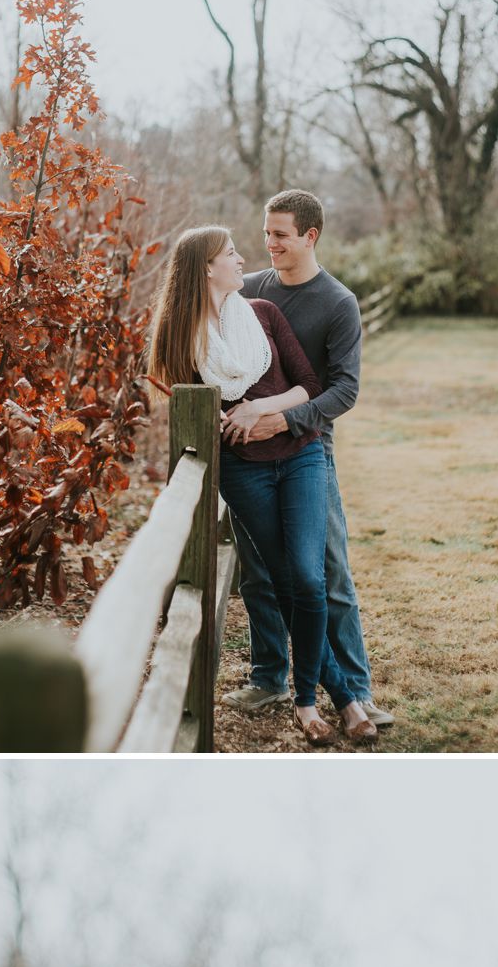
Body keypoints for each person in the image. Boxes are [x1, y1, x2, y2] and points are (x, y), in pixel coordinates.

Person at [145, 228, 376, 745]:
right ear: (207, 268)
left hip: (302, 456)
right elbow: (191, 411)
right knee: (281, 582)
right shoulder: (182, 341)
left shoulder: (264, 315)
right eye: (231, 254)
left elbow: (309, 388)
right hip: (245, 472)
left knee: (309, 580)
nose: (242, 259)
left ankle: (315, 697)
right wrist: (234, 418)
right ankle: (334, 701)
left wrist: (257, 408)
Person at [226, 190, 390, 733]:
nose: (268, 244)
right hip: (250, 454)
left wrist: (288, 420)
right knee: (258, 573)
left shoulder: (337, 302)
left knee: (329, 571)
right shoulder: (247, 293)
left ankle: (356, 690)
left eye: (280, 235)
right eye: (265, 233)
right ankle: (270, 676)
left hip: (310, 446)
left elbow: (344, 389)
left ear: (310, 235)